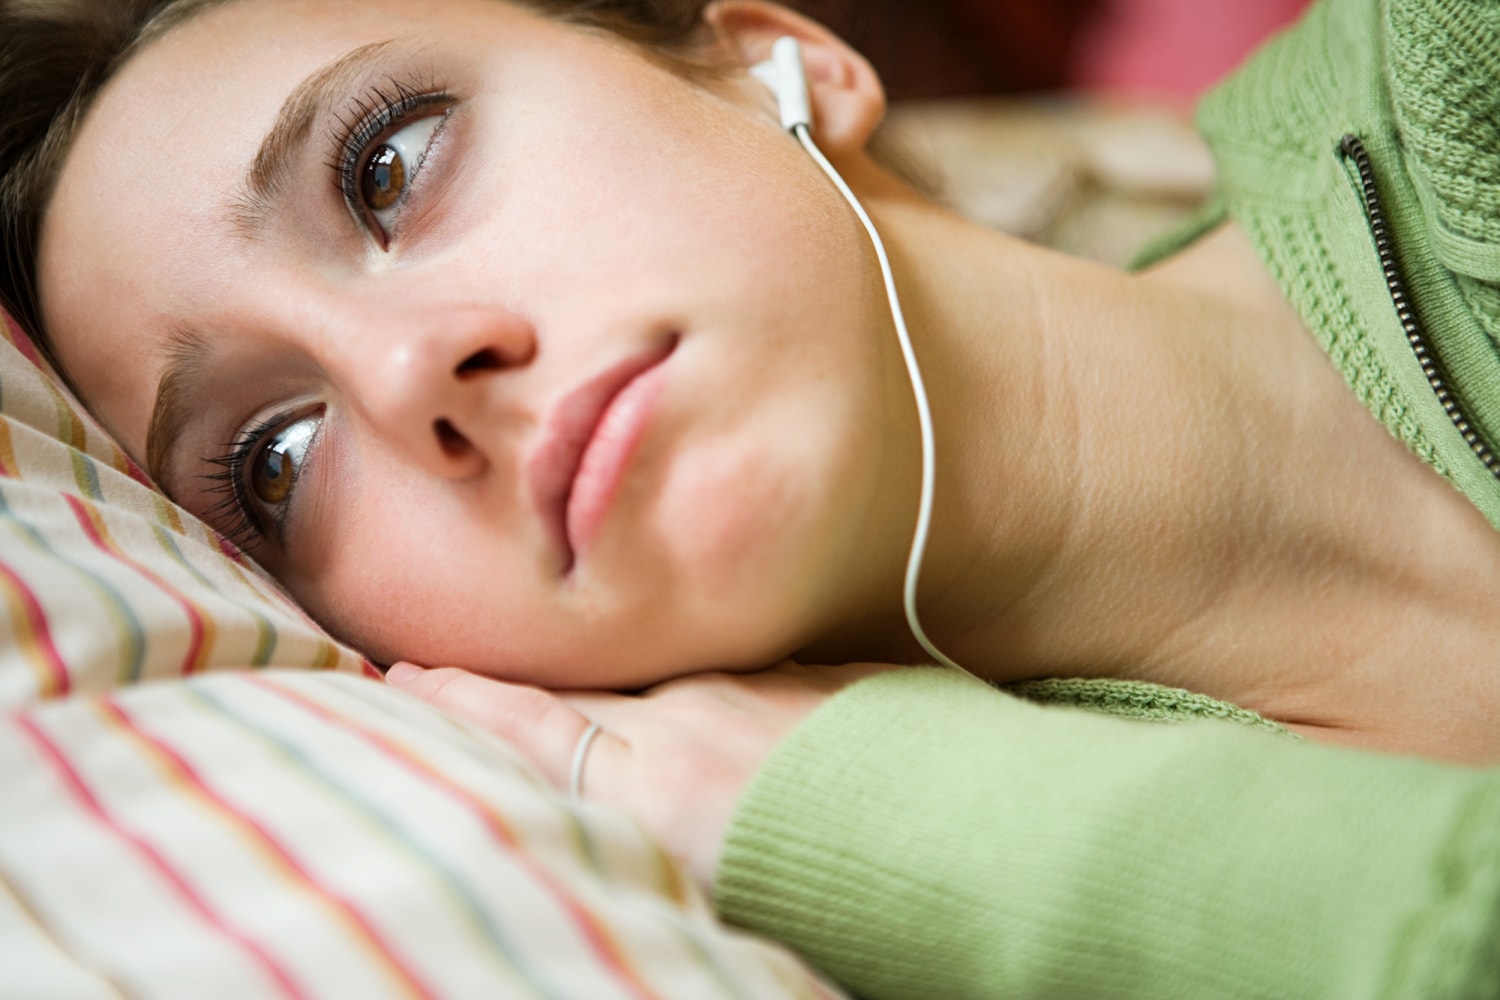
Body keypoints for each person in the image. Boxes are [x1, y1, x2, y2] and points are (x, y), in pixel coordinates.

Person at [3, 0, 1499, 995]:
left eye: (388, 164)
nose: (410, 375)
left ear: (777, 58)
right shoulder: (874, 919)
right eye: (276, 455)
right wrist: (910, 827)